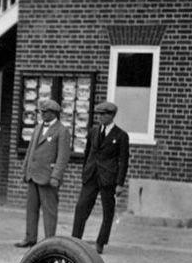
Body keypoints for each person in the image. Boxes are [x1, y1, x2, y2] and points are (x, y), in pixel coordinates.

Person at [71, 101, 129, 254]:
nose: (101, 117)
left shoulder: (121, 136)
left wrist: (120, 183)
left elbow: (123, 161)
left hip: (108, 178)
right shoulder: (93, 132)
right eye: (99, 114)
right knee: (81, 207)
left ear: (112, 115)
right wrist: (85, 172)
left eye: (104, 114)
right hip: (91, 175)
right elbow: (87, 153)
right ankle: (75, 240)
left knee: (108, 211)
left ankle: (101, 242)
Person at [15, 98, 71, 248]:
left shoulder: (62, 130)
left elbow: (63, 156)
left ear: (54, 113)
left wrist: (56, 176)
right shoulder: (38, 127)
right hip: (33, 174)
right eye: (41, 112)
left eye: (45, 112)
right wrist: (25, 170)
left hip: (48, 177)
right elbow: (30, 151)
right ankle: (30, 237)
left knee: (49, 210)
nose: (42, 115)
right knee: (31, 208)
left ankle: (49, 241)